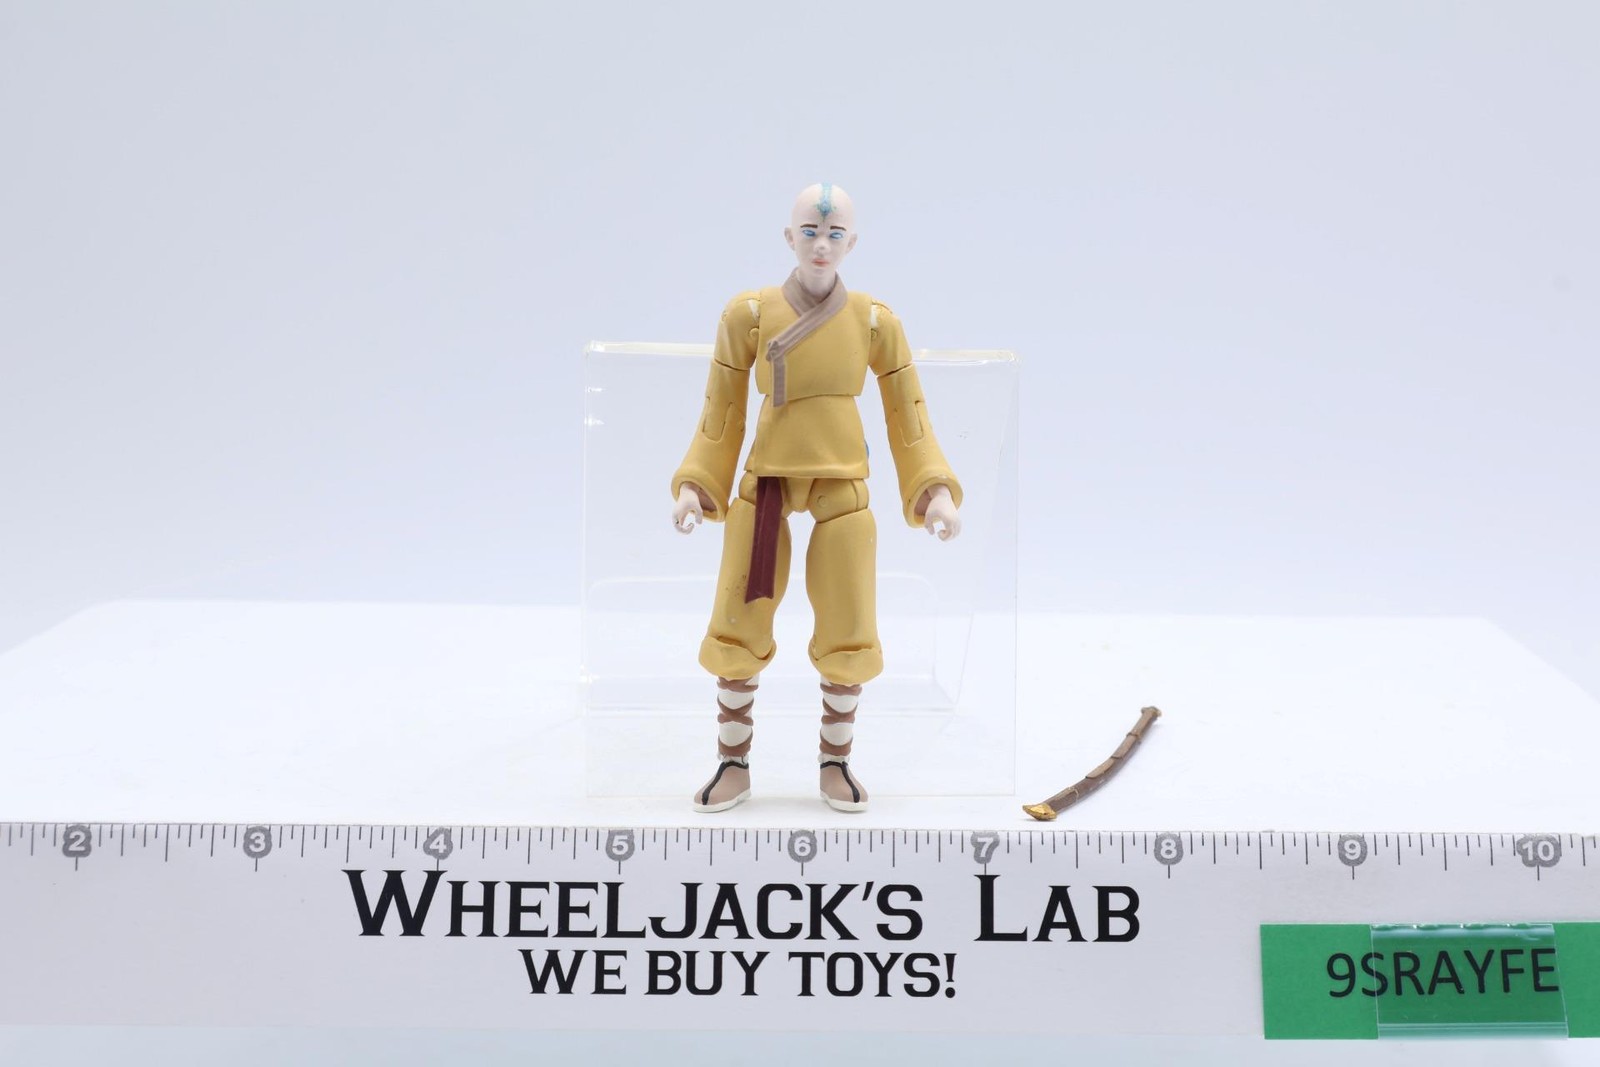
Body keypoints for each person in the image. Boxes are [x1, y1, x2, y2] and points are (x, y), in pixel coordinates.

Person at [671, 183, 962, 813]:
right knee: (738, 621)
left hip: (842, 481)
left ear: (852, 242)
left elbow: (907, 410)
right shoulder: (749, 315)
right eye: (810, 231)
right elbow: (721, 407)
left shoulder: (874, 320)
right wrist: (699, 479)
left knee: (849, 623)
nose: (821, 244)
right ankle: (732, 763)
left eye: (833, 234)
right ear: (789, 237)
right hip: (768, 482)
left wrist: (932, 485)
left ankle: (836, 762)